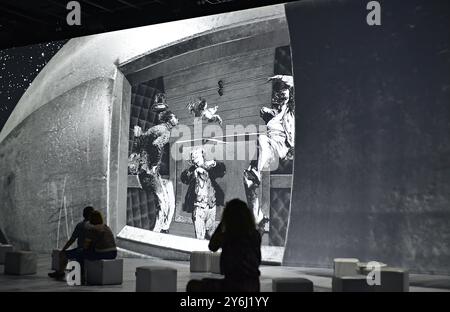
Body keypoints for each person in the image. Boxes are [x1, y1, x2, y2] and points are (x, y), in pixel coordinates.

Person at [243, 75, 295, 233]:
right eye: (282, 90)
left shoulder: (291, 110)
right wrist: (267, 114)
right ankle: (256, 217)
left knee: (262, 138)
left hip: (281, 147)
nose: (284, 92)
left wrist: (279, 77)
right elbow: (270, 115)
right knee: (247, 179)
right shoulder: (276, 114)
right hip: (268, 148)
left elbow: (295, 83)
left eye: (286, 90)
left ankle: (257, 173)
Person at [186, 199, 262, 292]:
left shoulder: (228, 236)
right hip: (253, 286)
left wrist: (223, 222)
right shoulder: (255, 235)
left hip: (233, 286)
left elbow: (212, 246)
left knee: (193, 286)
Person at [131, 107, 179, 233]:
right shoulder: (166, 132)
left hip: (144, 170)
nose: (177, 119)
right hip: (149, 172)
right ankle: (160, 229)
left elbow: (139, 141)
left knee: (163, 201)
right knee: (163, 201)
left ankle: (162, 227)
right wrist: (153, 164)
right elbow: (156, 145)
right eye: (174, 117)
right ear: (169, 120)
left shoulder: (155, 128)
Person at [181, 148, 226, 240]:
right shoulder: (192, 170)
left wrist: (214, 163)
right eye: (193, 158)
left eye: (197, 157)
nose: (195, 160)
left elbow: (222, 171)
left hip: (211, 206)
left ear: (202, 156)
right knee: (200, 238)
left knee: (210, 234)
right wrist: (193, 174)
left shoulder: (210, 168)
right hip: (198, 207)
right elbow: (184, 178)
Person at [48, 206, 94, 279]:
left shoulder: (81, 225)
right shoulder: (97, 225)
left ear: (83, 214)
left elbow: (72, 239)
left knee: (63, 254)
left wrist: (63, 249)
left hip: (82, 250)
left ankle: (60, 273)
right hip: (93, 250)